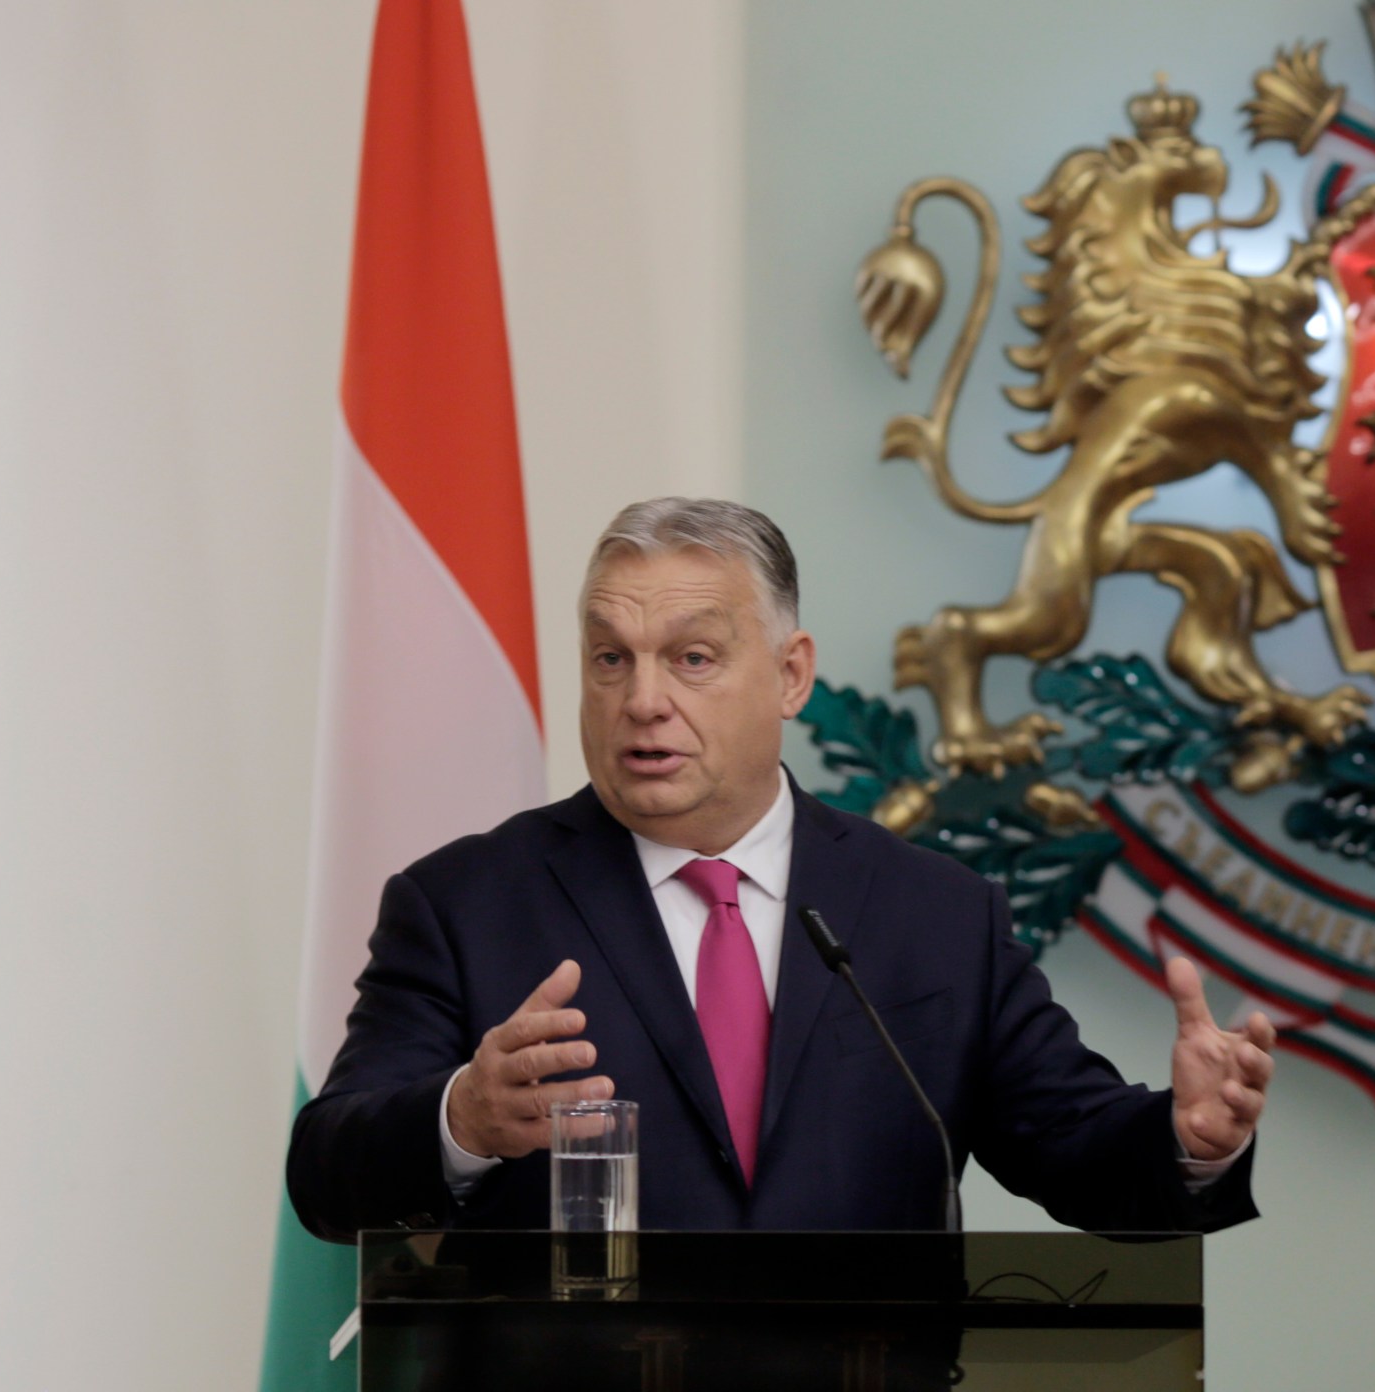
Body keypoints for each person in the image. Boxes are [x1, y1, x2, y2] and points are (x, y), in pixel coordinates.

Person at [287, 497, 1275, 1239]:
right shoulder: (466, 904)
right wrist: (462, 1115)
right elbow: (327, 1173)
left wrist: (1189, 1138)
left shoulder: (933, 916)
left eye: (693, 659)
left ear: (791, 673)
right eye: (609, 659)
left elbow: (1076, 1149)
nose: (642, 701)